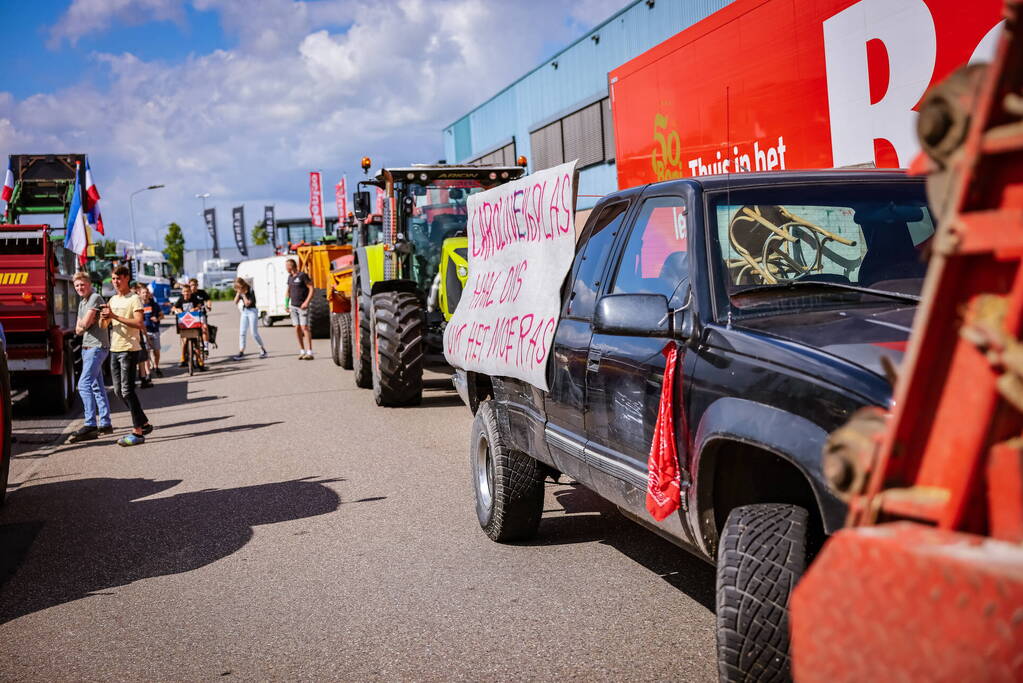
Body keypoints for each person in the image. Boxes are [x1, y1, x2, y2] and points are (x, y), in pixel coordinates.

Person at [101, 265, 153, 446]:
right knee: (117, 391)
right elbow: (104, 325)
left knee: (127, 390)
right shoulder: (113, 299)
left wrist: (114, 315)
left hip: (129, 349)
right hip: (114, 348)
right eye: (113, 279)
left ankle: (137, 432)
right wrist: (103, 316)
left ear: (126, 278)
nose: (115, 282)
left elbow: (139, 323)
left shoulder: (134, 299)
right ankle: (143, 422)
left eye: (118, 279)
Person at [68, 272, 113, 442]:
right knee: (96, 386)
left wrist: (83, 325)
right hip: (87, 348)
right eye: (77, 285)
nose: (80, 288)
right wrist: (82, 325)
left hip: (96, 347)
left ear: (89, 284)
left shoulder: (95, 298)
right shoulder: (83, 303)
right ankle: (106, 422)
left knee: (83, 384)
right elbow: (77, 329)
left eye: (82, 284)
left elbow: (84, 325)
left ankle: (90, 424)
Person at [231, 277, 268, 360]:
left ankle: (263, 350)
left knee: (254, 333)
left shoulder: (250, 290)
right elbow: (235, 302)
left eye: (238, 287)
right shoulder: (239, 291)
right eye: (237, 287)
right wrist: (238, 293)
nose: (238, 289)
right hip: (244, 312)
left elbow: (248, 303)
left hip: (252, 311)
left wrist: (243, 295)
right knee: (242, 332)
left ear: (242, 284)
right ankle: (241, 352)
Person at [172, 283, 206, 371]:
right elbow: (173, 308)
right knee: (184, 340)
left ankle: (199, 360)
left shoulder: (194, 298)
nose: (186, 294)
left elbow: (199, 305)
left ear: (190, 292)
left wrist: (195, 309)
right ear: (182, 292)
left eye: (188, 292)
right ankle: (183, 357)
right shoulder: (181, 299)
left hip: (194, 324)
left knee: (196, 343)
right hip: (184, 325)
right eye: (184, 292)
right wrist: (177, 309)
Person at [285, 258, 314, 359]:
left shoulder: (302, 276)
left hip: (302, 306)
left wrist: (307, 302)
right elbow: (288, 291)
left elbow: (311, 288)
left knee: (304, 327)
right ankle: (302, 350)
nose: (285, 268)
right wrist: (286, 304)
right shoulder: (290, 277)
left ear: (290, 266)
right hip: (293, 306)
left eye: (286, 266)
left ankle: (310, 352)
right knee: (297, 328)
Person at [138, 284, 164, 378]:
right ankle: (148, 373)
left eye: (146, 292)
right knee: (147, 354)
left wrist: (157, 318)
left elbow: (162, 315)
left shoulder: (154, 305)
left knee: (156, 352)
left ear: (149, 294)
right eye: (143, 293)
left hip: (155, 330)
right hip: (145, 332)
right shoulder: (138, 306)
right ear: (140, 294)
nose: (145, 294)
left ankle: (156, 367)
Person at [189, 277, 212, 353]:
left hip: (201, 314)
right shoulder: (188, 294)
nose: (193, 286)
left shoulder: (201, 292)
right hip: (190, 316)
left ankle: (205, 346)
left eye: (195, 285)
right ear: (189, 285)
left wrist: (209, 305)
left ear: (197, 285)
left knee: (204, 328)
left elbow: (208, 300)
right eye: (192, 285)